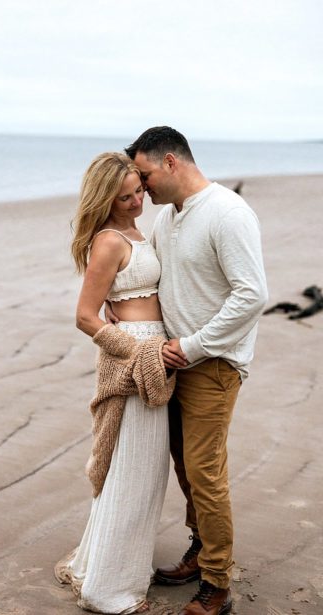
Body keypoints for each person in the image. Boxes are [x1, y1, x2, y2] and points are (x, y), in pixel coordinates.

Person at [126, 126, 267, 615]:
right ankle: (199, 549)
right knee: (185, 469)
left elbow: (251, 294)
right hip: (173, 363)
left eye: (143, 175)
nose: (142, 187)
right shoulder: (169, 217)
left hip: (213, 364)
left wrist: (194, 346)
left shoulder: (228, 213)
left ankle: (217, 584)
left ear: (170, 162)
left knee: (206, 474)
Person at [55, 152, 174, 614]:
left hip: (156, 358)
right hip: (135, 360)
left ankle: (116, 567)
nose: (135, 202)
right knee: (131, 473)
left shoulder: (139, 232)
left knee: (146, 474)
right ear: (105, 198)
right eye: (123, 197)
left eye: (139, 191)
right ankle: (108, 590)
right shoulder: (108, 241)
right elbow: (84, 317)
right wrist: (140, 348)